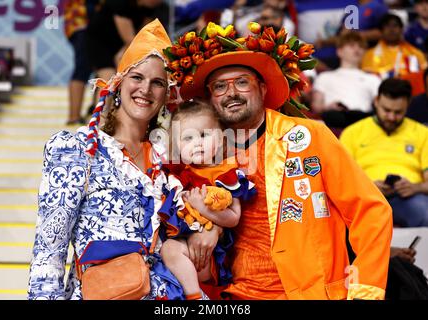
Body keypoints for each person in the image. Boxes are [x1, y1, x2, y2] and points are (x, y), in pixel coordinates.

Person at [164, 21, 393, 299]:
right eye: (220, 87)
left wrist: (364, 291)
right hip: (235, 294)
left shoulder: (309, 135)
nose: (231, 93)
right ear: (211, 100)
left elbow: (370, 211)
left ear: (262, 89)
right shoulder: (205, 154)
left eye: (241, 82)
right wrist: (208, 228)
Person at [27, 19, 186, 300]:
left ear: (167, 94)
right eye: (137, 77)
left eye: (157, 82)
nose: (146, 90)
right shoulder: (78, 148)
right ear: (118, 81)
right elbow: (49, 249)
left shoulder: (171, 158)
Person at [159, 99, 255, 300]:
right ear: (176, 145)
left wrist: (201, 206)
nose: (197, 143)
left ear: (220, 138)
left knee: (170, 249)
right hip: (183, 245)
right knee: (166, 249)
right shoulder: (178, 176)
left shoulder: (225, 174)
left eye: (204, 135)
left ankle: (196, 297)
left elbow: (233, 218)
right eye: (187, 138)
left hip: (210, 255)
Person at [340, 78, 428, 227]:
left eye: (398, 112)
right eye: (386, 110)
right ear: (376, 101)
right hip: (365, 197)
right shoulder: (352, 133)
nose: (392, 117)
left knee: (423, 212)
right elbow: (341, 179)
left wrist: (415, 187)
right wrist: (367, 187)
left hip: (409, 197)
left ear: (408, 105)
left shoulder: (422, 133)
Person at [311, 31, 381, 128]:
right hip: (333, 120)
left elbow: (381, 106)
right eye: (352, 46)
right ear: (339, 51)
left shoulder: (373, 79)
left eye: (361, 47)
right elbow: (316, 107)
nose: (357, 49)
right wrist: (328, 107)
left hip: (362, 121)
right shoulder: (324, 77)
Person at [361, 13, 427, 78]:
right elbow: (368, 79)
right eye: (387, 26)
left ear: (402, 30)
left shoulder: (415, 53)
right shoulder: (370, 55)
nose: (391, 30)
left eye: (395, 25)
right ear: (381, 31)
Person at [63, 0, 93, 125]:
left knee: (91, 67)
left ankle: (79, 114)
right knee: (82, 67)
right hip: (82, 24)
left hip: (81, 24)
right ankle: (74, 115)